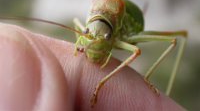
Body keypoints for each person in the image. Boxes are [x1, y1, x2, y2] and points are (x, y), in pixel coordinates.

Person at [0, 23, 184, 111]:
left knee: (176, 39)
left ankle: (149, 80)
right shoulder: (89, 27)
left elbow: (136, 51)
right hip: (103, 23)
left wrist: (100, 84)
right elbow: (78, 25)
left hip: (127, 26)